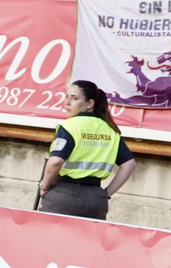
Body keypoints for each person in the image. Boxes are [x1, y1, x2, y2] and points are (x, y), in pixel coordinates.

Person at [35, 80, 137, 219]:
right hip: (96, 199)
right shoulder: (110, 130)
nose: (67, 102)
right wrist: (106, 193)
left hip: (64, 195)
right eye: (66, 96)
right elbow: (129, 164)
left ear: (90, 103)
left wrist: (44, 187)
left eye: (75, 98)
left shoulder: (70, 126)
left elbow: (56, 162)